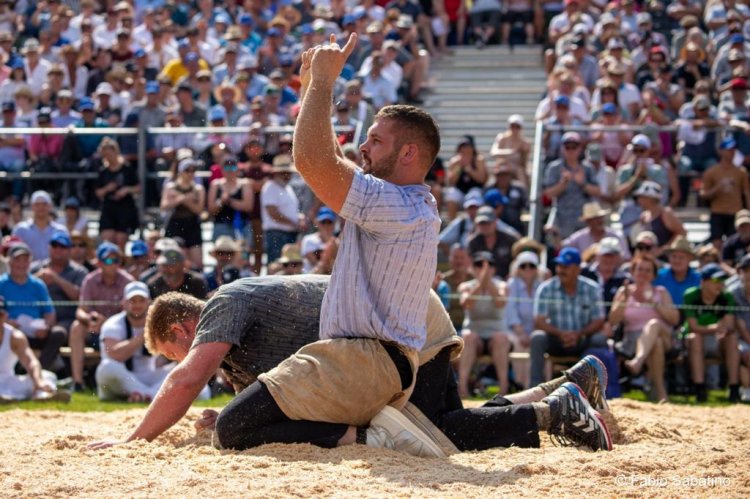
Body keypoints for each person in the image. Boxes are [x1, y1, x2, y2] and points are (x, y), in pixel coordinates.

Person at [212, 33, 444, 451]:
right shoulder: (406, 202)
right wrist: (312, 86)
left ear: (409, 153)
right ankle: (370, 436)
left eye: (376, 140)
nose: (363, 146)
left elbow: (314, 161)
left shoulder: (397, 204)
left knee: (233, 429)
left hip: (364, 363)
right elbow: (326, 160)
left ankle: (373, 439)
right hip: (371, 363)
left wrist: (320, 84)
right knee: (239, 423)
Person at [89, 276, 612, 453]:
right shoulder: (236, 325)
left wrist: (135, 440)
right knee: (446, 417)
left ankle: (553, 413)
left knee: (441, 432)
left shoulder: (223, 304)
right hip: (401, 321)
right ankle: (557, 390)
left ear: (182, 330)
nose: (175, 362)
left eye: (169, 352)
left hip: (400, 326)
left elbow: (185, 381)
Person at [95, 282, 204, 403]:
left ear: (148, 302)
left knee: (199, 384)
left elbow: (168, 354)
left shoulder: (156, 323)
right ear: (124, 303)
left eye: (141, 300)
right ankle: (150, 395)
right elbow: (115, 354)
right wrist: (143, 335)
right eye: (132, 300)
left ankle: (143, 395)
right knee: (107, 367)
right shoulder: (113, 323)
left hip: (149, 376)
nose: (137, 305)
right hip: (122, 377)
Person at [529, 247, 607, 387]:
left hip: (582, 339)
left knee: (599, 339)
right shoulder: (546, 288)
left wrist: (579, 334)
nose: (561, 270)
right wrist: (561, 334)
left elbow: (599, 320)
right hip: (556, 339)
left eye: (566, 266)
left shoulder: (592, 288)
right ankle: (535, 387)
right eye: (559, 265)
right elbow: (539, 321)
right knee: (537, 338)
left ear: (577, 269)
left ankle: (595, 387)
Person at [609, 254, 680, 402]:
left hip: (664, 335)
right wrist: (625, 299)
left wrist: (653, 302)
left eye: (648, 270)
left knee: (654, 324)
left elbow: (674, 319)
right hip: (633, 340)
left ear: (654, 274)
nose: (643, 273)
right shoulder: (624, 292)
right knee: (656, 344)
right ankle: (660, 393)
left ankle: (638, 361)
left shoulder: (661, 292)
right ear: (633, 272)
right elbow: (613, 320)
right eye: (640, 269)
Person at [69, 242, 133, 391]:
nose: (113, 264)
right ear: (99, 263)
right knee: (76, 327)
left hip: (119, 330)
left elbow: (133, 312)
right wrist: (90, 319)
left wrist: (108, 323)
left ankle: (128, 381)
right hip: (94, 329)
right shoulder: (90, 280)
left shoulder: (127, 281)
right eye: (108, 260)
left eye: (116, 260)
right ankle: (78, 382)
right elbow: (81, 311)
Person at [0, 243, 66, 372]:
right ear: (9, 262)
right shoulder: (1, 284)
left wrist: (46, 327)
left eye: (25, 260)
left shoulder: (38, 285)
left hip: (35, 333)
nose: (21, 264)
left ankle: (40, 372)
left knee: (59, 333)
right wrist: (7, 324)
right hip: (9, 333)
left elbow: (49, 313)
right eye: (17, 260)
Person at [683, 263, 742, 403]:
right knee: (695, 338)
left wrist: (719, 329)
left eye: (722, 280)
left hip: (718, 341)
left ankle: (734, 389)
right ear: (703, 281)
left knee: (732, 338)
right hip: (696, 342)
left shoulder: (726, 297)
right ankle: (700, 389)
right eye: (716, 280)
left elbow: (728, 325)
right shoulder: (691, 295)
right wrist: (715, 327)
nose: (720, 284)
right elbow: (693, 327)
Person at [456, 251, 511, 397]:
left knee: (501, 338)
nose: (483, 268)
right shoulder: (465, 286)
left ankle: (503, 387)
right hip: (474, 336)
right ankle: (462, 387)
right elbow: (466, 303)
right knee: (468, 337)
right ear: (473, 267)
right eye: (478, 264)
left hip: (496, 336)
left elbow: (500, 303)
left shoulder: (502, 285)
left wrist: (488, 283)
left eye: (488, 265)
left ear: (494, 268)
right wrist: (481, 283)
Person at [0, 295, 70, 403]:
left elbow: (31, 362)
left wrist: (38, 382)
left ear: (6, 316)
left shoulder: (15, 337)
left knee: (47, 375)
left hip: (7, 381)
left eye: (0, 314)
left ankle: (42, 395)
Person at [543, 132, 601, 239]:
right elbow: (549, 194)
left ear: (580, 149)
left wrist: (582, 183)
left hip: (584, 218)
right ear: (562, 148)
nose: (570, 150)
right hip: (562, 218)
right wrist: (563, 183)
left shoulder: (588, 168)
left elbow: (597, 191)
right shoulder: (554, 168)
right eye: (567, 147)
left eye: (574, 147)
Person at [30, 232, 88, 339]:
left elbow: (79, 297)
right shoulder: (35, 268)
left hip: (66, 320)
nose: (58, 249)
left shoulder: (79, 271)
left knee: (57, 333)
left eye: (62, 246)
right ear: (49, 247)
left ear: (69, 250)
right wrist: (37, 279)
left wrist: (56, 279)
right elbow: (21, 289)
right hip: (36, 318)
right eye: (54, 245)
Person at [700, 137, 750, 246]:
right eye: (728, 149)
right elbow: (703, 194)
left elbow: (747, 193)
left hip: (735, 212)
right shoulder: (711, 172)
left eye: (733, 150)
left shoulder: (741, 172)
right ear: (721, 151)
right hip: (718, 212)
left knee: (734, 242)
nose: (731, 152)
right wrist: (718, 187)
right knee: (716, 242)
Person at [260, 154, 305, 264]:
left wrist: (299, 218)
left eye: (288, 172)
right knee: (276, 268)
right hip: (277, 235)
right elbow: (273, 214)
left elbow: (290, 211)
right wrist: (294, 223)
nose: (286, 175)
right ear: (275, 173)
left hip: (288, 234)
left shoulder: (288, 188)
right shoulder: (270, 187)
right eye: (283, 173)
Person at [161, 158, 205, 269]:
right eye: (187, 170)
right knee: (172, 260)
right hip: (175, 224)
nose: (190, 173)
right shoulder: (170, 187)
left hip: (192, 225)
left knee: (197, 263)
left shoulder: (198, 189)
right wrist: (182, 199)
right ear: (180, 171)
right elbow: (164, 206)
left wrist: (183, 200)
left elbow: (199, 210)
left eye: (193, 170)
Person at [206, 155, 254, 243]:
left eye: (233, 166)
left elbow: (248, 207)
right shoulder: (215, 185)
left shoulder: (245, 184)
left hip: (242, 226)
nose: (230, 170)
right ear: (222, 169)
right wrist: (221, 201)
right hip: (221, 225)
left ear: (237, 168)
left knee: (243, 255)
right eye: (227, 167)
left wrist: (229, 201)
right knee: (222, 254)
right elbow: (211, 210)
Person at [12, 191, 68, 263]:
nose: (41, 207)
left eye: (44, 204)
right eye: (37, 204)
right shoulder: (20, 229)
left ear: (50, 206)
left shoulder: (61, 230)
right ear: (32, 206)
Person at [653, 236, 701, 311]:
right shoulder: (658, 276)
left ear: (689, 259)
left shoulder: (699, 279)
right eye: (674, 256)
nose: (677, 260)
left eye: (681, 257)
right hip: (664, 317)